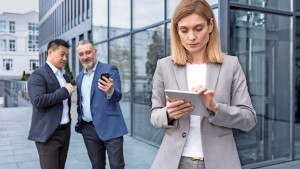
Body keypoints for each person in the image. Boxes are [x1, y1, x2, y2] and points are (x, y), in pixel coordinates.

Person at [150, 1, 257, 169]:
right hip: (175, 162)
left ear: (211, 25)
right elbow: (155, 116)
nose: (191, 37)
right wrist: (169, 114)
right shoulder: (164, 66)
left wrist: (215, 107)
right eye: (184, 30)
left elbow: (249, 119)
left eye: (198, 28)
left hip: (219, 161)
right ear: (176, 31)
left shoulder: (231, 65)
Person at [75, 40, 128, 169]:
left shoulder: (109, 69)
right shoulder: (79, 77)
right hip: (89, 130)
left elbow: (118, 96)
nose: (85, 57)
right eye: (81, 54)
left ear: (95, 52)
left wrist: (110, 91)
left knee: (117, 166)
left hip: (111, 128)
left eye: (88, 52)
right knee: (97, 166)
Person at [27, 39, 75, 169]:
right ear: (50, 52)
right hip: (48, 134)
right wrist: (65, 91)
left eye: (67, 55)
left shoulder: (64, 76)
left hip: (65, 131)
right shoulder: (38, 75)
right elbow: (37, 101)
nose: (65, 58)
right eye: (62, 54)